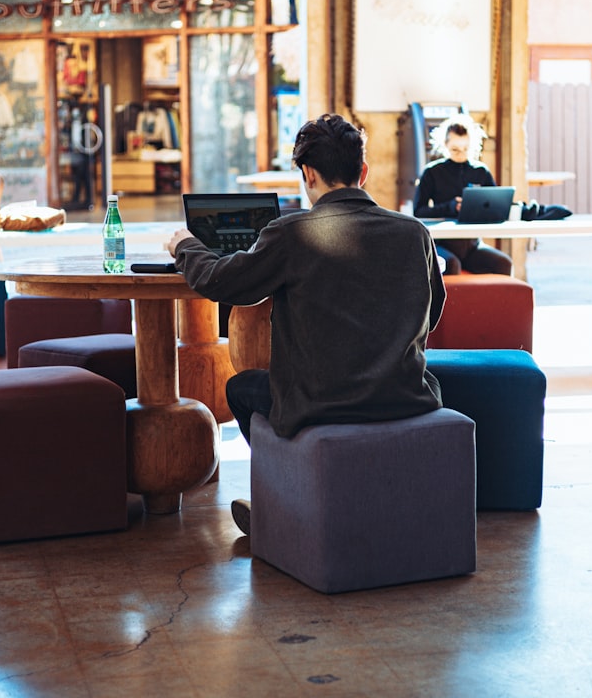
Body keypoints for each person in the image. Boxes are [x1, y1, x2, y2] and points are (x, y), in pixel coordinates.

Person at [167, 114, 445, 536]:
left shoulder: (293, 231)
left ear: (308, 173)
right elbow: (433, 309)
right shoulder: (414, 233)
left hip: (322, 402)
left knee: (240, 389)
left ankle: (286, 501)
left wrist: (185, 246)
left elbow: (223, 283)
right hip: (406, 395)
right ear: (363, 172)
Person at [413, 114, 513, 276]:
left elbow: (496, 208)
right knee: (451, 264)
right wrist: (450, 207)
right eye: (455, 149)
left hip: (472, 244)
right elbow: (419, 211)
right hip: (442, 243)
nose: (461, 154)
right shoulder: (432, 172)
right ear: (444, 145)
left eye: (465, 149)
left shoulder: (481, 172)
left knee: (503, 263)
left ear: (472, 146)